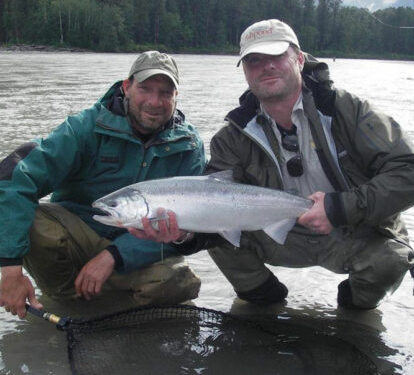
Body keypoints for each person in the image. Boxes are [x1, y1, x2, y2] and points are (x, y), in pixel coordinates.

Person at [132, 19, 414, 310]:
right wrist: (183, 234)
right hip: (275, 234)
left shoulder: (348, 112)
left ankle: (353, 310)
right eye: (254, 60)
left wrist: (339, 208)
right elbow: (210, 208)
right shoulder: (231, 137)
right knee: (218, 237)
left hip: (350, 228)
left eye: (276, 56)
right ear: (244, 71)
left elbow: (409, 171)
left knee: (390, 259)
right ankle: (263, 304)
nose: (265, 66)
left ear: (299, 59)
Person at [0, 51, 206, 319]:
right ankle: (69, 301)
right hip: (77, 234)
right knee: (36, 222)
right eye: (145, 89)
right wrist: (10, 268)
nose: (154, 102)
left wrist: (113, 256)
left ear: (176, 97)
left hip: (137, 249)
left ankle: (115, 309)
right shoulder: (83, 128)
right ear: (127, 87)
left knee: (179, 283)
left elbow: (186, 229)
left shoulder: (189, 146)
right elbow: (15, 179)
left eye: (165, 92)